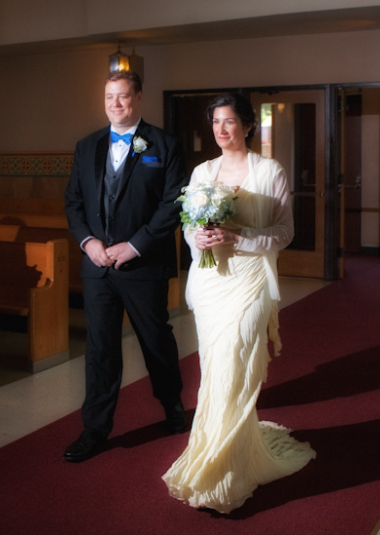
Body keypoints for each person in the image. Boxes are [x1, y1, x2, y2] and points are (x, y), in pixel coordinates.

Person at [162, 92, 316, 513]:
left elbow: (285, 232)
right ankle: (219, 450)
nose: (221, 129)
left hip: (251, 280)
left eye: (229, 121)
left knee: (238, 361)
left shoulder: (270, 170)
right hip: (211, 281)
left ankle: (229, 465)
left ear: (248, 125)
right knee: (215, 365)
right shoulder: (202, 171)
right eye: (215, 122)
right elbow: (189, 226)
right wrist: (198, 238)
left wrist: (239, 236)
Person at [63, 70, 187, 463]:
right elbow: (73, 202)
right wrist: (88, 242)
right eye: (109, 97)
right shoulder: (87, 146)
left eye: (122, 96)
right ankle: (95, 428)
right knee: (100, 347)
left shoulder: (164, 144)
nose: (115, 104)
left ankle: (172, 404)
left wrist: (135, 246)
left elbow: (173, 204)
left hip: (143, 265)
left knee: (155, 340)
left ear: (137, 98)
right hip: (98, 266)